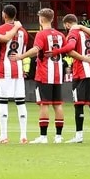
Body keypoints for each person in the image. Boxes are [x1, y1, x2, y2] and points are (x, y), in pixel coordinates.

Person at [23, 7, 68, 145]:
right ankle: (58, 136)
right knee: (58, 105)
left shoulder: (41, 34)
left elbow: (36, 49)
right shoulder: (60, 35)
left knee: (44, 104)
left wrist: (21, 56)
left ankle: (43, 136)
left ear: (41, 19)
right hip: (57, 75)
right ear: (53, 19)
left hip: (44, 74)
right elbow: (67, 50)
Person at [0, 3, 31, 144]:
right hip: (18, 69)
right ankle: (23, 135)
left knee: (3, 101)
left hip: (4, 69)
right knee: (20, 102)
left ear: (4, 15)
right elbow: (23, 52)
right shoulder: (23, 32)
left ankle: (3, 135)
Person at [60, 14, 90, 143]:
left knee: (79, 105)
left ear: (67, 24)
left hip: (81, 72)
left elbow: (70, 50)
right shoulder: (88, 33)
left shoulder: (73, 32)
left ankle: (79, 136)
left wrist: (82, 58)